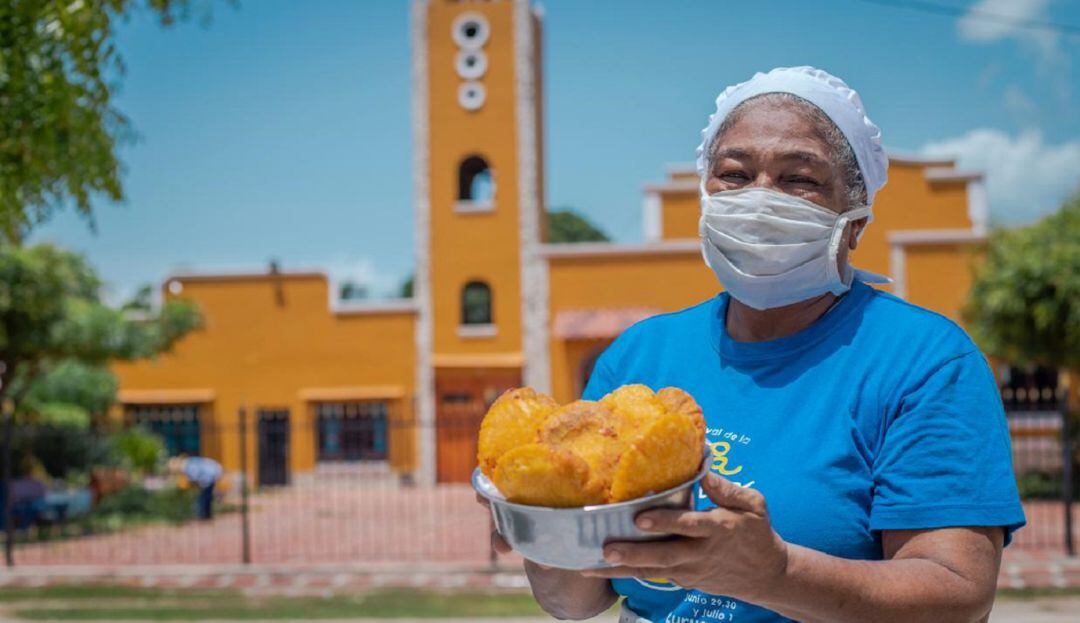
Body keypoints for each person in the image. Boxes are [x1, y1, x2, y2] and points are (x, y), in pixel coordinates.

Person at [494, 67, 1025, 623]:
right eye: (734, 174)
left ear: (856, 221)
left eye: (799, 178)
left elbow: (957, 596)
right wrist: (542, 530)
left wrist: (776, 576)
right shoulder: (640, 357)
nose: (760, 199)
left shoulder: (923, 361)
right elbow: (575, 600)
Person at [180, 455, 222, 520]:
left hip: (208, 478)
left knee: (204, 497)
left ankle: (202, 515)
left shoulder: (190, 465)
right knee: (207, 497)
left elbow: (194, 477)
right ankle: (206, 515)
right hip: (210, 477)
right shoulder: (195, 462)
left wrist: (193, 483)